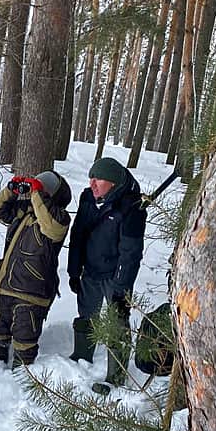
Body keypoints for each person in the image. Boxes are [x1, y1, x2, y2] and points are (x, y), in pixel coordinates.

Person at [67, 157, 147, 395]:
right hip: (90, 271)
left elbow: (131, 253)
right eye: (90, 178)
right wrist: (74, 270)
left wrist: (121, 287)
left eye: (98, 179)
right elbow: (78, 236)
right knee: (87, 313)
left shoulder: (132, 208)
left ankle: (116, 375)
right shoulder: (88, 199)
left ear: (113, 182)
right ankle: (82, 354)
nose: (92, 183)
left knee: (117, 324)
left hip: (115, 275)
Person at [0, 170, 72, 367]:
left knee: (24, 344)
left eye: (42, 188)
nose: (35, 191)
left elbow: (51, 226)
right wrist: (11, 190)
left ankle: (21, 386)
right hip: (5, 287)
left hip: (31, 294)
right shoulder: (25, 212)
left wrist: (36, 193)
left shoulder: (60, 218)